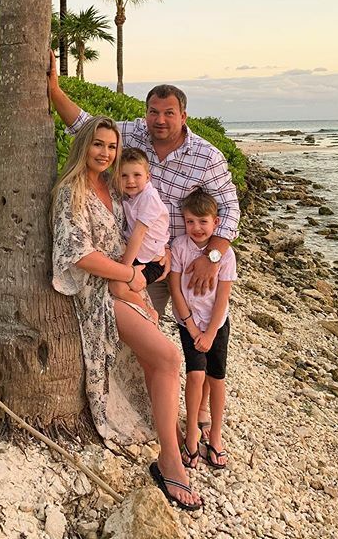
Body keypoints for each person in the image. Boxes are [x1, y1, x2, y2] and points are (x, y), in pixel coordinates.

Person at [48, 52, 240, 439]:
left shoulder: (206, 155)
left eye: (169, 113)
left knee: (195, 333)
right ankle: (149, 408)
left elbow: (230, 211)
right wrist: (53, 89)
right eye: (154, 111)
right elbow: (85, 127)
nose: (160, 120)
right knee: (152, 340)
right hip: (132, 262)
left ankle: (199, 410)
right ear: (146, 113)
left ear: (183, 115)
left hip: (179, 263)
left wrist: (213, 259)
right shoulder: (131, 136)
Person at [52, 115, 203, 510]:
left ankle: (170, 438)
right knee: (170, 356)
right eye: (98, 144)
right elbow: (77, 254)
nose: (105, 153)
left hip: (123, 283)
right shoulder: (72, 191)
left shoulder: (113, 188)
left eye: (112, 146)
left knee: (160, 359)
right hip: (95, 293)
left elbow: (141, 229)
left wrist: (161, 254)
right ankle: (170, 458)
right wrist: (129, 277)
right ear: (84, 145)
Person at [169, 189, 237, 471]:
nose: (196, 228)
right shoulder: (180, 247)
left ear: (216, 222)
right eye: (190, 222)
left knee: (216, 378)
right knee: (195, 375)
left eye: (203, 222)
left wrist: (209, 333)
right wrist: (192, 326)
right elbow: (175, 287)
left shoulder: (225, 254)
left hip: (216, 325)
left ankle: (217, 434)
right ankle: (192, 435)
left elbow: (223, 297)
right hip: (189, 323)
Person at [108, 148, 170, 324]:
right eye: (124, 176)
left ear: (148, 177)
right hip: (139, 256)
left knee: (117, 286)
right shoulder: (131, 196)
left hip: (152, 262)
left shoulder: (149, 197)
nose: (131, 181)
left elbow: (138, 235)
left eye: (137, 175)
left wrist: (125, 269)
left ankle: (149, 312)